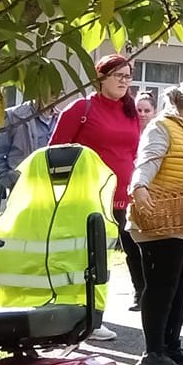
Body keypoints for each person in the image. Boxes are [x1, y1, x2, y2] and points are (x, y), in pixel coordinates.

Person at [53, 55, 146, 337]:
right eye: (117, 75)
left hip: (121, 198)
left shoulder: (130, 112)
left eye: (128, 76)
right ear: (100, 77)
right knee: (86, 259)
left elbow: (133, 153)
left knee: (107, 260)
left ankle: (93, 317)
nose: (123, 81)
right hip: (86, 196)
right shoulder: (82, 108)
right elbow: (55, 151)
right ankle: (81, 318)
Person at [128, 79, 183, 365]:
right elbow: (147, 159)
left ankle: (171, 345)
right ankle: (153, 351)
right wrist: (139, 187)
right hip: (162, 217)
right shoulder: (161, 126)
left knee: (182, 285)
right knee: (162, 286)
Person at [0, 94, 60, 187]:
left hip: (52, 190)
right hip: (22, 191)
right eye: (51, 91)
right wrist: (13, 182)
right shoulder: (13, 116)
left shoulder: (61, 118)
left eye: (59, 91)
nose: (54, 95)